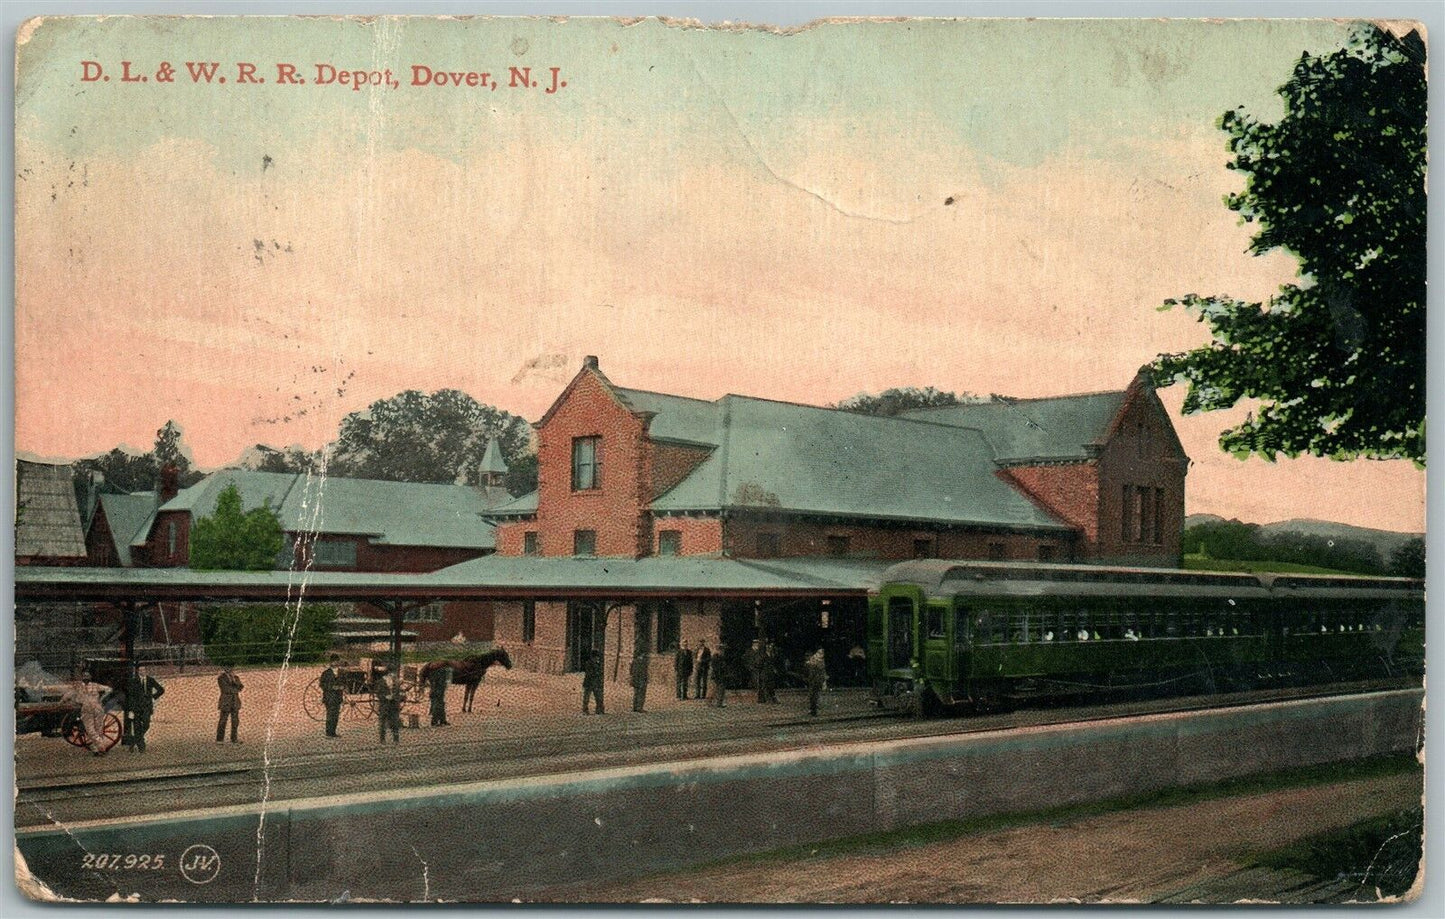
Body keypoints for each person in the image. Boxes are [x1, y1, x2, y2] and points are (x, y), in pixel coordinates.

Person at [61, 672, 108, 756]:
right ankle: (100, 747)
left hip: (93, 708)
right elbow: (69, 694)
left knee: (96, 729)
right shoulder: (83, 687)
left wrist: (102, 699)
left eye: (87, 677)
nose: (86, 678)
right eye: (85, 677)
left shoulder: (92, 686)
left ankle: (97, 749)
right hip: (90, 708)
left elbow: (108, 689)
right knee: (92, 729)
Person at [124, 665, 165, 753]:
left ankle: (134, 741)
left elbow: (161, 690)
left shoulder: (150, 680)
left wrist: (153, 697)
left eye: (143, 670)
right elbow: (131, 696)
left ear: (146, 671)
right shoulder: (134, 681)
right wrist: (131, 709)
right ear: (138, 671)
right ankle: (141, 747)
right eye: (140, 670)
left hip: (146, 707)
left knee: (146, 724)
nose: (142, 671)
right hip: (136, 707)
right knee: (137, 726)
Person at [375, 665, 403, 744]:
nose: (394, 675)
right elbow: (378, 693)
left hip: (393, 704)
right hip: (384, 704)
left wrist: (396, 697)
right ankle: (382, 738)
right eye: (392, 674)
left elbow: (398, 692)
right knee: (382, 722)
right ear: (388, 674)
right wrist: (385, 697)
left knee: (394, 721)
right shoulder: (380, 682)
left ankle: (396, 739)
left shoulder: (396, 682)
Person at [216, 665, 244, 744]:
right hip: (226, 701)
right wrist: (235, 689)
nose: (230, 669)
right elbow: (225, 689)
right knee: (223, 720)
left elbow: (241, 687)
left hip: (235, 701)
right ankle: (220, 739)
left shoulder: (235, 677)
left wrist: (234, 682)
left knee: (235, 721)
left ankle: (234, 738)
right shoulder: (221, 678)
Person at [321, 655, 345, 737]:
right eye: (333, 661)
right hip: (329, 697)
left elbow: (345, 682)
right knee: (330, 715)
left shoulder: (341, 672)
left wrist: (342, 687)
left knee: (336, 715)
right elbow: (322, 684)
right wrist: (331, 687)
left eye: (336, 661)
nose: (335, 663)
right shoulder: (326, 673)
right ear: (330, 662)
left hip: (338, 697)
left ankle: (333, 732)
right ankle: (328, 732)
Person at [803, 648, 826, 718]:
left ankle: (813, 710)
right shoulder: (818, 661)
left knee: (813, 695)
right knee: (814, 695)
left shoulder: (815, 661)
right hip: (816, 680)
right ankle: (813, 710)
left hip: (815, 680)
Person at [428, 661, 453, 727]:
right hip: (438, 692)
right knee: (438, 706)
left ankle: (442, 720)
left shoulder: (433, 673)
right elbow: (441, 684)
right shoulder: (441, 673)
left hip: (436, 692)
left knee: (441, 705)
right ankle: (434, 722)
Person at [582, 648, 605, 715]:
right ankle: (585, 710)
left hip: (595, 683)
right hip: (589, 683)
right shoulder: (589, 663)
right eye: (596, 657)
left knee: (598, 697)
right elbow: (590, 673)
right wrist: (597, 673)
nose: (597, 658)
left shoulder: (597, 663)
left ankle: (599, 710)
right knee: (586, 697)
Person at [712, 643, 728, 708]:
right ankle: (718, 703)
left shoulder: (722, 657)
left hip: (722, 675)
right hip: (718, 675)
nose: (722, 652)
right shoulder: (715, 657)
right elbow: (715, 667)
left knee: (721, 689)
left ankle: (719, 702)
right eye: (721, 650)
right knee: (719, 689)